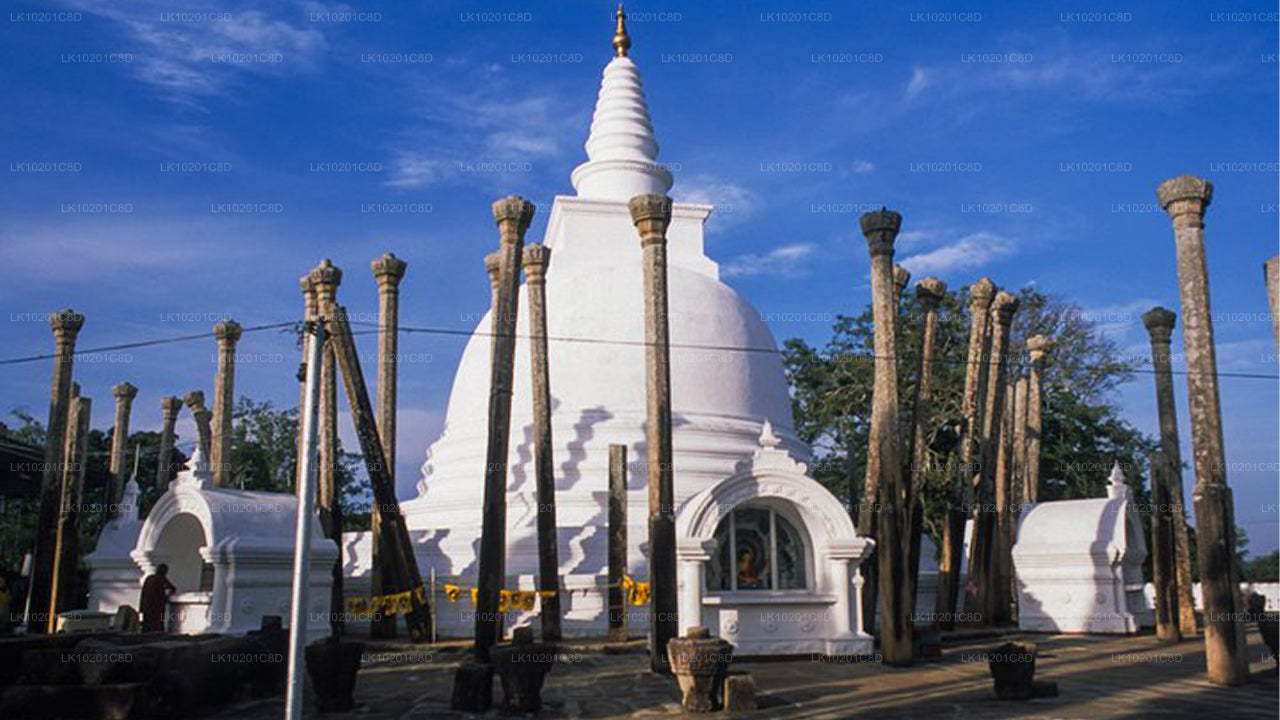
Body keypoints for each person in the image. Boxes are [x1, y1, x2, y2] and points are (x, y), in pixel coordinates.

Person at [139, 563, 176, 633]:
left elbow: (143, 594)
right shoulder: (161, 579)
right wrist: (167, 596)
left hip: (148, 606)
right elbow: (172, 588)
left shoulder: (150, 578)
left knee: (148, 624)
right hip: (156, 607)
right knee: (156, 624)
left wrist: (141, 607)